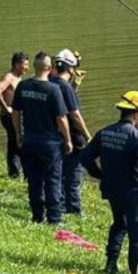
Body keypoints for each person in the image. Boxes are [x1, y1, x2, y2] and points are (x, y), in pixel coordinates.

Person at [80, 91, 138, 274]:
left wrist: (99, 174)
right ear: (135, 113)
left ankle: (111, 264)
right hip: (133, 190)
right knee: (137, 233)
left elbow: (85, 156)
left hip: (112, 189)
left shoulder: (105, 132)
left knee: (119, 223)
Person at [11, 51, 72, 224]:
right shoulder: (54, 89)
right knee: (53, 179)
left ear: (34, 67)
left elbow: (15, 112)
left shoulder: (23, 86)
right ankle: (54, 217)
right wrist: (67, 140)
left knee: (34, 179)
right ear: (50, 68)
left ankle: (37, 215)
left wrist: (18, 134)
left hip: (29, 141)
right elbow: (61, 117)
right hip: (50, 143)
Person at [50, 49, 92, 215]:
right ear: (71, 69)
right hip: (71, 137)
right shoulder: (65, 87)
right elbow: (74, 115)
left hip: (54, 135)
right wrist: (88, 136)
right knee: (74, 175)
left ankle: (58, 204)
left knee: (58, 173)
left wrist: (75, 86)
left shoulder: (50, 83)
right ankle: (74, 209)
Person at [0, 52, 30, 178]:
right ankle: (16, 172)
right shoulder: (9, 77)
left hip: (16, 115)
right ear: (17, 64)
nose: (27, 68)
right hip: (9, 116)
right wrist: (6, 107)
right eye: (25, 65)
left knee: (15, 142)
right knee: (17, 142)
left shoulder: (17, 77)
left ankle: (16, 172)